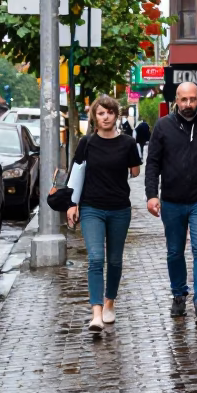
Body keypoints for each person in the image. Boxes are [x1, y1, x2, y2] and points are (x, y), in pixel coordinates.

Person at [145, 82, 197, 327]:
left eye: (193, 99)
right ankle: (179, 294)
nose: (188, 104)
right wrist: (152, 195)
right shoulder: (163, 127)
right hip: (171, 200)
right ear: (176, 100)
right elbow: (152, 164)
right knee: (174, 251)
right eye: (184, 100)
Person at [67, 95, 141, 333]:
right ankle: (96, 312)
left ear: (116, 115)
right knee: (96, 258)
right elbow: (75, 175)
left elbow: (135, 171)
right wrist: (72, 204)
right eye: (101, 113)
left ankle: (110, 301)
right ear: (94, 117)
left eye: (109, 112)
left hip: (120, 208)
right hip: (92, 208)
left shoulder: (128, 143)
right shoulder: (86, 143)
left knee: (115, 260)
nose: (106, 116)